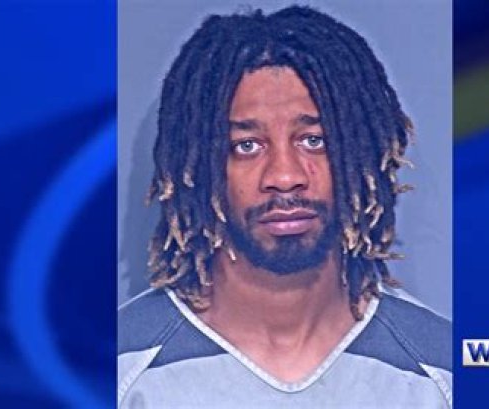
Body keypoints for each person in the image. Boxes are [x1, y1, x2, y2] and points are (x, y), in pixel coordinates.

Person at [118, 5, 451, 408]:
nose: (285, 175)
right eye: (246, 146)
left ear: (363, 153)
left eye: (314, 140)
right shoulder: (121, 370)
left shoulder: (441, 373)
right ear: (198, 166)